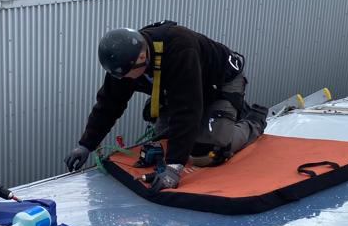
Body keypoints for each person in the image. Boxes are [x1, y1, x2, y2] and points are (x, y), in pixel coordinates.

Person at [64, 21, 267, 191]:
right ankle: (220, 121)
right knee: (163, 139)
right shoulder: (125, 62)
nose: (124, 81)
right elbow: (109, 104)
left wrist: (174, 168)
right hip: (179, 87)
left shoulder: (179, 50)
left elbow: (187, 110)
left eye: (127, 76)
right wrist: (86, 145)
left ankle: (252, 120)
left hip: (220, 81)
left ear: (142, 58)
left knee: (206, 153)